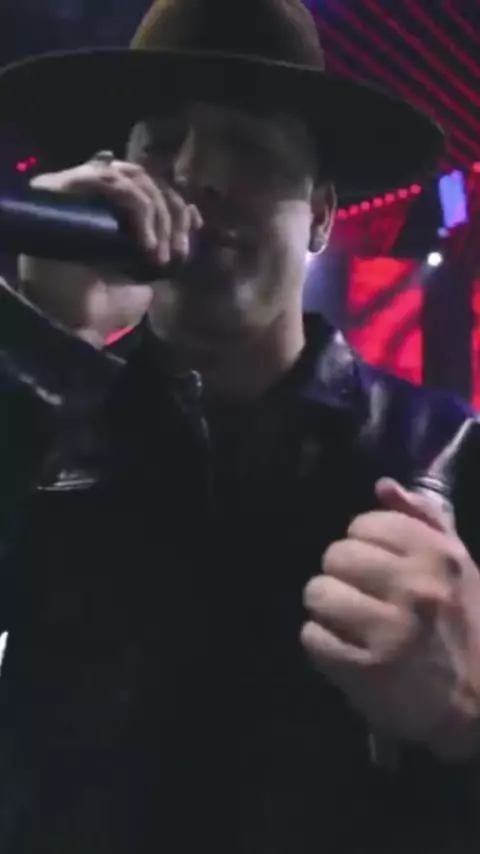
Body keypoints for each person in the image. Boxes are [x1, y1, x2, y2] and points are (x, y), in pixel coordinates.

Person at [0, 0, 478, 851]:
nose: (195, 175)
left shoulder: (448, 452)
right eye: (161, 144)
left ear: (321, 216)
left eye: (249, 146)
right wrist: (36, 343)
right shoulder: (40, 415)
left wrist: (466, 720)